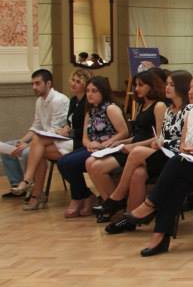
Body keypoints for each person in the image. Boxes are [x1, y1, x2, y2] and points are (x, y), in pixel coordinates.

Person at [119, 73, 193, 256]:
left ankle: (150, 204)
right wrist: (187, 150)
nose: (190, 92)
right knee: (177, 183)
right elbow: (183, 143)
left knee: (176, 164)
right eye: (190, 88)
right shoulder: (191, 113)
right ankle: (160, 237)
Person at [101, 71, 192, 231]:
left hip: (179, 157)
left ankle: (117, 196)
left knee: (136, 152)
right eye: (167, 84)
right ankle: (129, 219)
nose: (167, 87)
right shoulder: (170, 109)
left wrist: (162, 142)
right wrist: (158, 142)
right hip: (164, 153)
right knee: (138, 173)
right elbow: (163, 135)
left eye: (171, 84)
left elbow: (188, 139)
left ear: (181, 87)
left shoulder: (190, 110)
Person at [85, 70, 167, 222]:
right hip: (133, 146)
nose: (137, 88)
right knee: (90, 162)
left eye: (141, 85)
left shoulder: (159, 106)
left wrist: (132, 145)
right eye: (136, 85)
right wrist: (121, 142)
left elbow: (159, 137)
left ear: (151, 86)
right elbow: (138, 134)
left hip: (147, 149)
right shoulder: (141, 105)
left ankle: (115, 202)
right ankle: (111, 203)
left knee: (98, 167)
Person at [13, 69, 87, 209]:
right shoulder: (73, 101)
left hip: (76, 141)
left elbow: (83, 128)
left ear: (48, 83)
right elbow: (39, 125)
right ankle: (36, 194)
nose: (73, 84)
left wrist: (68, 130)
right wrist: (23, 141)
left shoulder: (63, 100)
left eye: (78, 81)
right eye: (73, 80)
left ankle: (28, 183)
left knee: (35, 148)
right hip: (60, 138)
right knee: (36, 148)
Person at [57, 76, 128, 218]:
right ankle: (85, 195)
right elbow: (85, 137)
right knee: (63, 162)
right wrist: (89, 144)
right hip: (92, 148)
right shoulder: (90, 111)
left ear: (103, 92)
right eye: (88, 91)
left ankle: (83, 198)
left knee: (70, 163)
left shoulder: (111, 108)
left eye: (94, 91)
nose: (90, 94)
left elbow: (124, 132)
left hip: (108, 148)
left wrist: (106, 143)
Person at [2, 69, 71, 198]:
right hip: (40, 138)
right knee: (9, 147)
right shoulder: (39, 101)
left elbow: (54, 131)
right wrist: (22, 141)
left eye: (37, 83)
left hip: (54, 141)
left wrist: (29, 145)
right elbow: (36, 126)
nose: (34, 87)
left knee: (27, 152)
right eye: (33, 84)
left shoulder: (59, 100)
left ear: (48, 83)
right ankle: (17, 186)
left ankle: (33, 188)